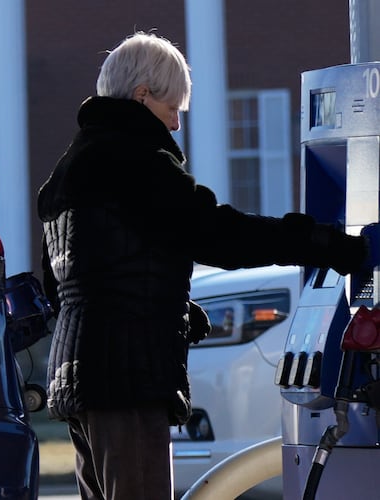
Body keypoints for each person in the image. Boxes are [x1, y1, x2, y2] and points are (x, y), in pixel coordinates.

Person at [37, 31, 379, 500]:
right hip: (128, 377)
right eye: (172, 107)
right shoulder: (135, 161)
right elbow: (220, 234)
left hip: (79, 376)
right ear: (142, 96)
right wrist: (324, 243)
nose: (176, 124)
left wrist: (171, 303)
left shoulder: (66, 173)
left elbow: (68, 281)